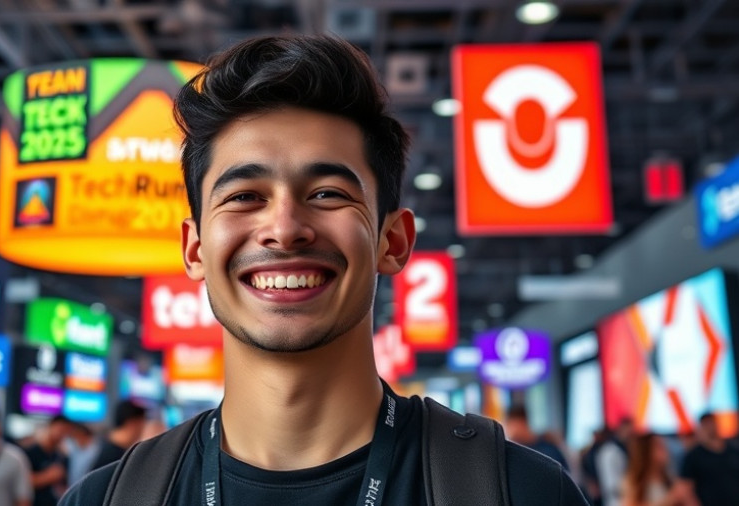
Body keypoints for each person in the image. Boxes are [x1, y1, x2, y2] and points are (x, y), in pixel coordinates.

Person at [61, 34, 587, 505]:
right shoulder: (107, 498)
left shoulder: (521, 491)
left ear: (393, 240)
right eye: (245, 196)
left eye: (327, 193)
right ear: (195, 249)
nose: (285, 227)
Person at [673, 412, 739, 505]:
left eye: (711, 422)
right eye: (706, 423)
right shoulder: (694, 456)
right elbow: (686, 487)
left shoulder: (734, 451)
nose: (710, 426)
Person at [24, 414, 72, 506]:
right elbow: (24, 482)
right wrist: (47, 477)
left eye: (66, 432)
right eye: (61, 430)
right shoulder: (31, 452)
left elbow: (64, 485)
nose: (62, 435)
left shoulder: (61, 456)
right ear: (51, 426)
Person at [505, 404, 570, 471]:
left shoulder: (547, 448)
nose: (511, 434)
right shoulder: (514, 453)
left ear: (523, 423)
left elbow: (563, 474)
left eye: (516, 429)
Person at [621, 433, 680, 506]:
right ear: (646, 452)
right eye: (660, 447)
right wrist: (669, 500)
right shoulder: (633, 481)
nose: (666, 450)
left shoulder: (670, 479)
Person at [89, 400, 146, 471]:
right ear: (132, 424)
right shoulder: (114, 457)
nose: (143, 429)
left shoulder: (100, 445)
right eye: (142, 424)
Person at [597, 418, 634, 506]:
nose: (630, 435)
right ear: (621, 429)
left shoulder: (623, 449)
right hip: (615, 499)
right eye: (628, 431)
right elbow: (610, 483)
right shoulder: (609, 451)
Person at [64, 422, 99, 486]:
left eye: (79, 436)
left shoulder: (94, 452)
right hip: (72, 485)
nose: (77, 440)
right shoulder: (75, 449)